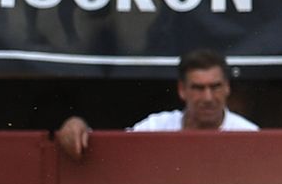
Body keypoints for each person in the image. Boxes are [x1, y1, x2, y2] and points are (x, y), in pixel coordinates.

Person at [57, 52, 259, 158]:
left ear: (227, 88)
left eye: (215, 87)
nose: (207, 97)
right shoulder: (156, 126)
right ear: (182, 90)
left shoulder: (249, 133)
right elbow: (113, 152)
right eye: (198, 88)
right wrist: (77, 125)